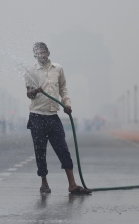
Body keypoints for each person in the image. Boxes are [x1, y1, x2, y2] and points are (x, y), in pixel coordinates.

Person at [25, 42, 91, 195]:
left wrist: (67, 104)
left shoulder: (58, 69)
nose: (41, 55)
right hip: (37, 116)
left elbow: (63, 89)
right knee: (40, 151)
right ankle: (44, 183)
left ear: (48, 53)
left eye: (43, 52)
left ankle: (72, 185)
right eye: (38, 53)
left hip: (53, 116)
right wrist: (36, 90)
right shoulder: (31, 71)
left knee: (63, 150)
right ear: (35, 56)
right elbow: (29, 93)